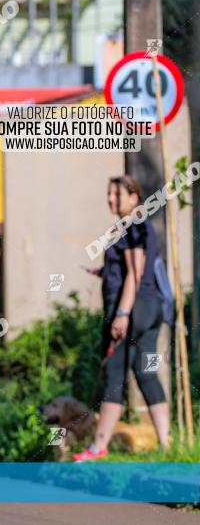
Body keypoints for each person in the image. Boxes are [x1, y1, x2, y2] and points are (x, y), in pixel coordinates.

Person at [73, 175, 170, 461]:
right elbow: (134, 270)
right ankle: (167, 444)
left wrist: (123, 313)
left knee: (114, 374)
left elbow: (136, 273)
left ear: (133, 196)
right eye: (108, 194)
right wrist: (103, 273)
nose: (110, 200)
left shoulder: (132, 224)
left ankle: (97, 447)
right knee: (145, 372)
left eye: (116, 194)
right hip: (151, 307)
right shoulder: (140, 225)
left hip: (134, 309)